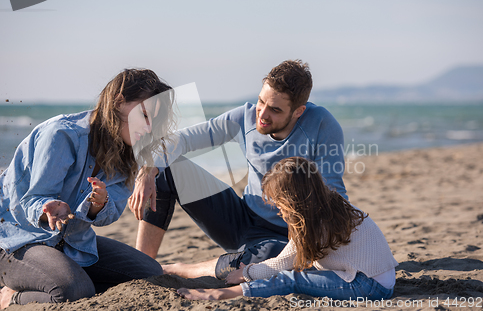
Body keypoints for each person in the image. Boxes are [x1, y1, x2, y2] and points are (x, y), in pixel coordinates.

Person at [128, 60, 348, 280]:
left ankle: (180, 269)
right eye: (261, 101)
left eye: (275, 110)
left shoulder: (322, 125)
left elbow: (333, 192)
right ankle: (142, 265)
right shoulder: (246, 116)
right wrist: (147, 170)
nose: (262, 114)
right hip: (240, 219)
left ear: (299, 111)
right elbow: (184, 140)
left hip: (286, 235)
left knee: (272, 256)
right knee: (165, 167)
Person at [0, 69, 175, 308]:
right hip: (20, 239)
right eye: (143, 115)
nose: (149, 128)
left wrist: (98, 205)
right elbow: (30, 200)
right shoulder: (62, 135)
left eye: (154, 121)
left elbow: (108, 215)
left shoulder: (129, 153)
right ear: (118, 102)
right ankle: (12, 296)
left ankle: (56, 275)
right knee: (75, 291)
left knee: (150, 273)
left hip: (71, 241)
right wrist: (46, 208)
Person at [177, 157, 398, 301]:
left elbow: (281, 263)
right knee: (301, 273)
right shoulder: (330, 205)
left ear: (295, 202)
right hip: (380, 279)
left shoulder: (315, 222)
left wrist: (244, 273)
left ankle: (222, 294)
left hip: (368, 286)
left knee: (292, 280)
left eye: (279, 204)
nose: (278, 211)